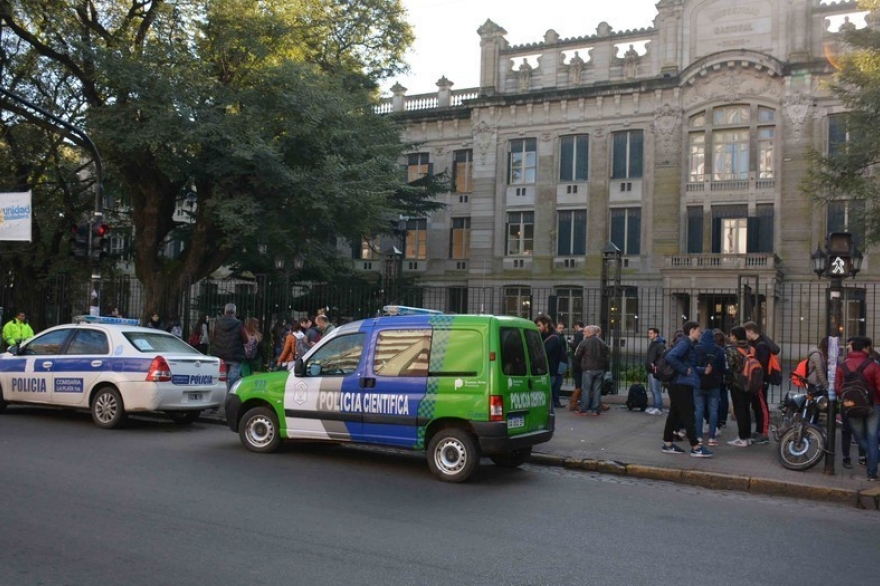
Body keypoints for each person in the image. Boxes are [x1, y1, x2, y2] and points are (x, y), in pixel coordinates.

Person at [660, 321, 713, 457]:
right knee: (688, 415)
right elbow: (671, 357)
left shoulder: (688, 344)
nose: (700, 333)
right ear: (691, 331)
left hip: (680, 384)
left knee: (674, 413)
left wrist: (702, 370)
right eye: (698, 330)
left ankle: (667, 443)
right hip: (681, 385)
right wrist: (684, 370)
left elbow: (690, 366)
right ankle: (695, 447)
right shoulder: (684, 343)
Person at [835, 336, 880, 481]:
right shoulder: (873, 365)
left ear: (852, 348)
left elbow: (837, 388)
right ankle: (872, 473)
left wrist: (848, 398)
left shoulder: (843, 366)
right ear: (865, 348)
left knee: (859, 437)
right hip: (873, 405)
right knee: (873, 438)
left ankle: (874, 457)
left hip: (852, 406)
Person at [743, 321, 779, 444]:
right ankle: (759, 430)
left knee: (762, 407)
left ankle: (764, 433)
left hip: (760, 381)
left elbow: (761, 366)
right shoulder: (756, 343)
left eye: (746, 332)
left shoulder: (761, 345)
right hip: (757, 380)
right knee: (757, 406)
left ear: (751, 331)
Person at [210, 303, 248, 398]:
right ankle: (230, 398)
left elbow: (213, 338)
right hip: (235, 355)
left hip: (220, 354)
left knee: (222, 378)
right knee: (233, 378)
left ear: (225, 311)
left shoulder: (218, 322)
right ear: (234, 312)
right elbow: (245, 340)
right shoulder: (238, 324)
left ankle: (219, 397)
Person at [694, 328, 725, 446]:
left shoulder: (696, 348)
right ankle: (712, 437)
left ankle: (698, 437)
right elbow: (723, 368)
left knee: (699, 410)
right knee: (713, 410)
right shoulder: (719, 350)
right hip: (714, 384)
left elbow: (693, 365)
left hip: (699, 383)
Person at [726, 327, 753, 447]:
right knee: (746, 409)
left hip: (737, 383)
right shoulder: (750, 348)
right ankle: (747, 436)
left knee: (739, 410)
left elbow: (730, 367)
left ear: (735, 336)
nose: (730, 337)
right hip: (749, 382)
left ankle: (741, 438)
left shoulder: (732, 350)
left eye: (731, 335)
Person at [573, 325, 609, 416]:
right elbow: (606, 354)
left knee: (586, 390)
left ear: (589, 333)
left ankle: (584, 409)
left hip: (588, 369)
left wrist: (581, 362)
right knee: (597, 390)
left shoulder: (584, 342)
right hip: (599, 369)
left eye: (585, 332)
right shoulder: (602, 342)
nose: (584, 333)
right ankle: (596, 410)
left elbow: (577, 355)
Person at [535, 315, 565, 409]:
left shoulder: (554, 338)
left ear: (546, 324)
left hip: (551, 370)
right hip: (550, 370)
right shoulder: (547, 336)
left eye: (539, 325)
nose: (537, 328)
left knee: (547, 396)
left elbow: (544, 354)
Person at [645, 327, 666, 415]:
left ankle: (659, 407)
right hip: (651, 369)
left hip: (655, 370)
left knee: (656, 389)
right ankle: (655, 406)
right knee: (653, 390)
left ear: (655, 334)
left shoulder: (659, 344)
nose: (649, 335)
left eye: (651, 333)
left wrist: (655, 365)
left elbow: (661, 357)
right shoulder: (654, 343)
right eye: (649, 333)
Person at [568, 322, 585, 411]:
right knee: (581, 382)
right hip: (582, 362)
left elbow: (576, 346)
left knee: (578, 382)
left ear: (577, 326)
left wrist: (570, 343)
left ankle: (573, 402)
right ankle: (576, 401)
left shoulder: (579, 334)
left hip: (577, 362)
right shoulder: (584, 334)